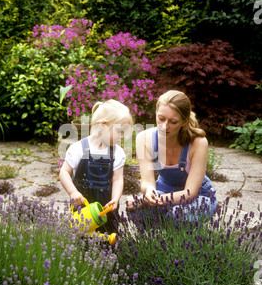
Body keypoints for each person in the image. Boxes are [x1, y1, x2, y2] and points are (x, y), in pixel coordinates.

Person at [130, 90, 217, 220]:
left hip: (197, 196)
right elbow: (147, 182)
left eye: (173, 122)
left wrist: (150, 200)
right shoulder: (144, 138)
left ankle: (182, 233)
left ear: (184, 121)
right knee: (137, 212)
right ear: (156, 114)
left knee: (179, 215)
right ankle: (157, 238)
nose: (165, 126)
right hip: (163, 191)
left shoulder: (198, 143)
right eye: (161, 119)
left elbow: (190, 193)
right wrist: (149, 193)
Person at [59, 99, 133, 233]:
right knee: (80, 239)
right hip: (83, 208)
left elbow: (118, 179)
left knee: (108, 239)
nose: (122, 136)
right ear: (103, 125)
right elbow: (64, 172)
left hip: (106, 210)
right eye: (120, 131)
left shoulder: (117, 152)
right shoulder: (78, 148)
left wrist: (115, 199)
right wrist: (73, 192)